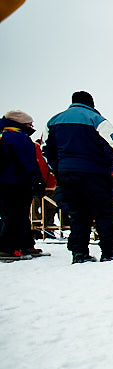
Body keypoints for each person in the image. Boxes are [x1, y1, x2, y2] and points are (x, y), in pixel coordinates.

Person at [43, 91, 113, 263]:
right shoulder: (97, 120)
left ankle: (79, 253)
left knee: (78, 214)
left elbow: (45, 150)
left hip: (67, 175)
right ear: (91, 104)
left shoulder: (53, 121)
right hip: (96, 174)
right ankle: (109, 251)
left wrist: (59, 170)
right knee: (105, 212)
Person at [0, 110, 44, 261]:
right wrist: (37, 180)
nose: (31, 128)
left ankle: (24, 244)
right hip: (17, 181)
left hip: (4, 182)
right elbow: (29, 161)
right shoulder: (19, 137)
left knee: (11, 214)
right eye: (29, 124)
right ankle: (7, 248)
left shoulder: (3, 135)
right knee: (18, 214)